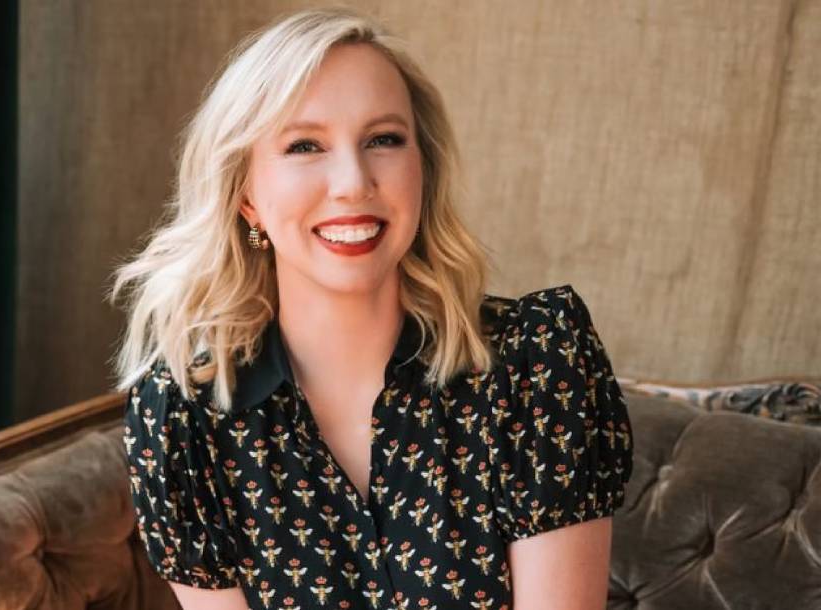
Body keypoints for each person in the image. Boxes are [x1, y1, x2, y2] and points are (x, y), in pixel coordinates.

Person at [110, 7, 634, 610]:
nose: (353, 182)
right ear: (247, 197)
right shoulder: (183, 418)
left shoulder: (535, 364)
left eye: (383, 140)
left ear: (421, 171)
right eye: (305, 145)